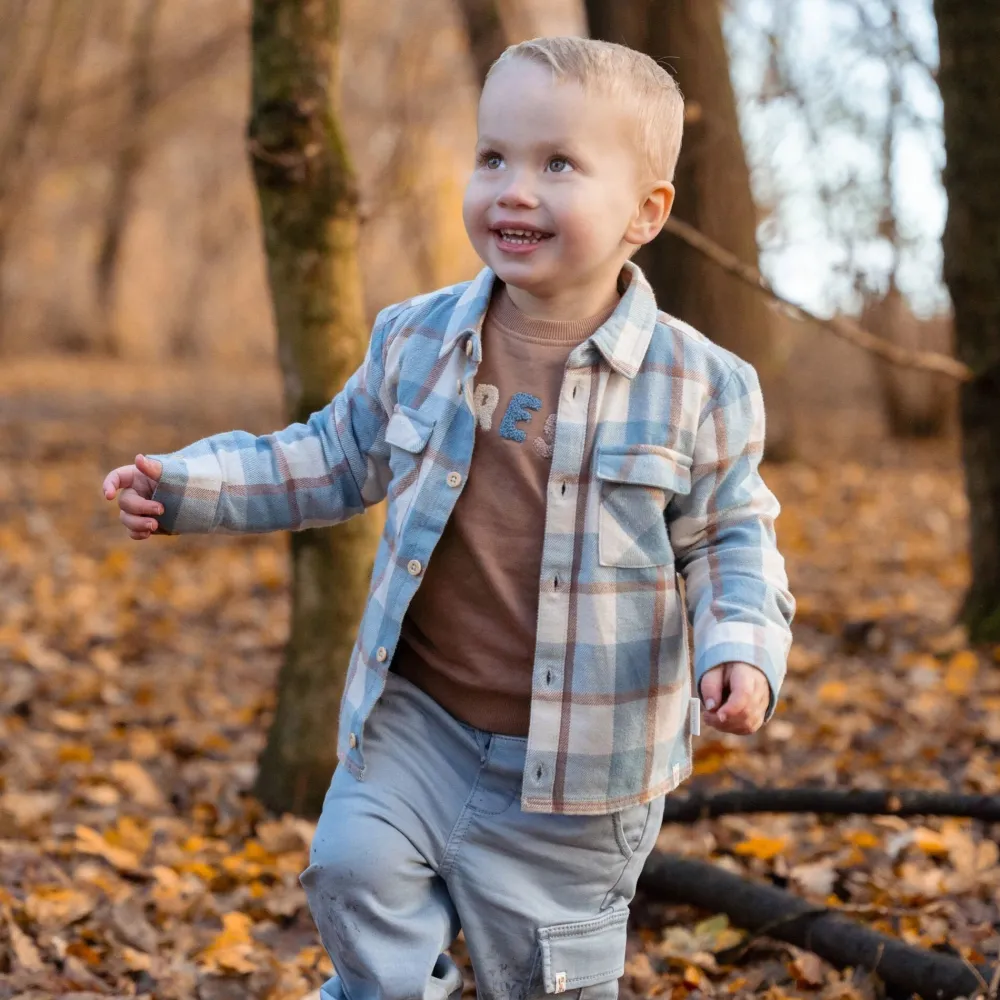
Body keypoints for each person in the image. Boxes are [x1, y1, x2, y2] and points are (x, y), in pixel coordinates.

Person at [102, 36, 794, 1000]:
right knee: (350, 867)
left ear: (647, 211)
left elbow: (729, 535)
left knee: (544, 979)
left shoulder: (703, 386)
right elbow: (333, 456)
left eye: (558, 163)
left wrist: (743, 649)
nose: (514, 188)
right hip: (416, 721)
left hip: (581, 773)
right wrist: (189, 486)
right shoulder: (417, 337)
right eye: (493, 156)